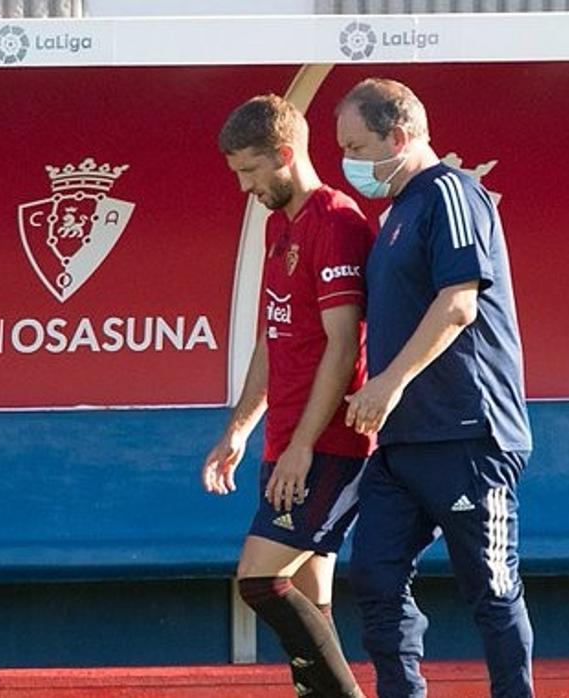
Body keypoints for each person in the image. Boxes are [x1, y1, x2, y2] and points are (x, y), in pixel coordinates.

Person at [335, 78, 534, 698]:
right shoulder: (396, 211)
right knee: (374, 575)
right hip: (400, 442)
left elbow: (458, 304)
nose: (350, 163)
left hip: (466, 432)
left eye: (356, 145)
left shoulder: (451, 192)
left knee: (492, 588)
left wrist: (387, 383)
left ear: (397, 136)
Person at [204, 94, 373, 698]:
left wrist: (302, 446)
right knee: (310, 602)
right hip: (288, 441)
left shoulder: (337, 220)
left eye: (250, 170)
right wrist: (240, 430)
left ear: (284, 153)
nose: (244, 186)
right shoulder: (281, 224)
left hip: (328, 443)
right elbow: (274, 338)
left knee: (258, 581)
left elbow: (343, 346)